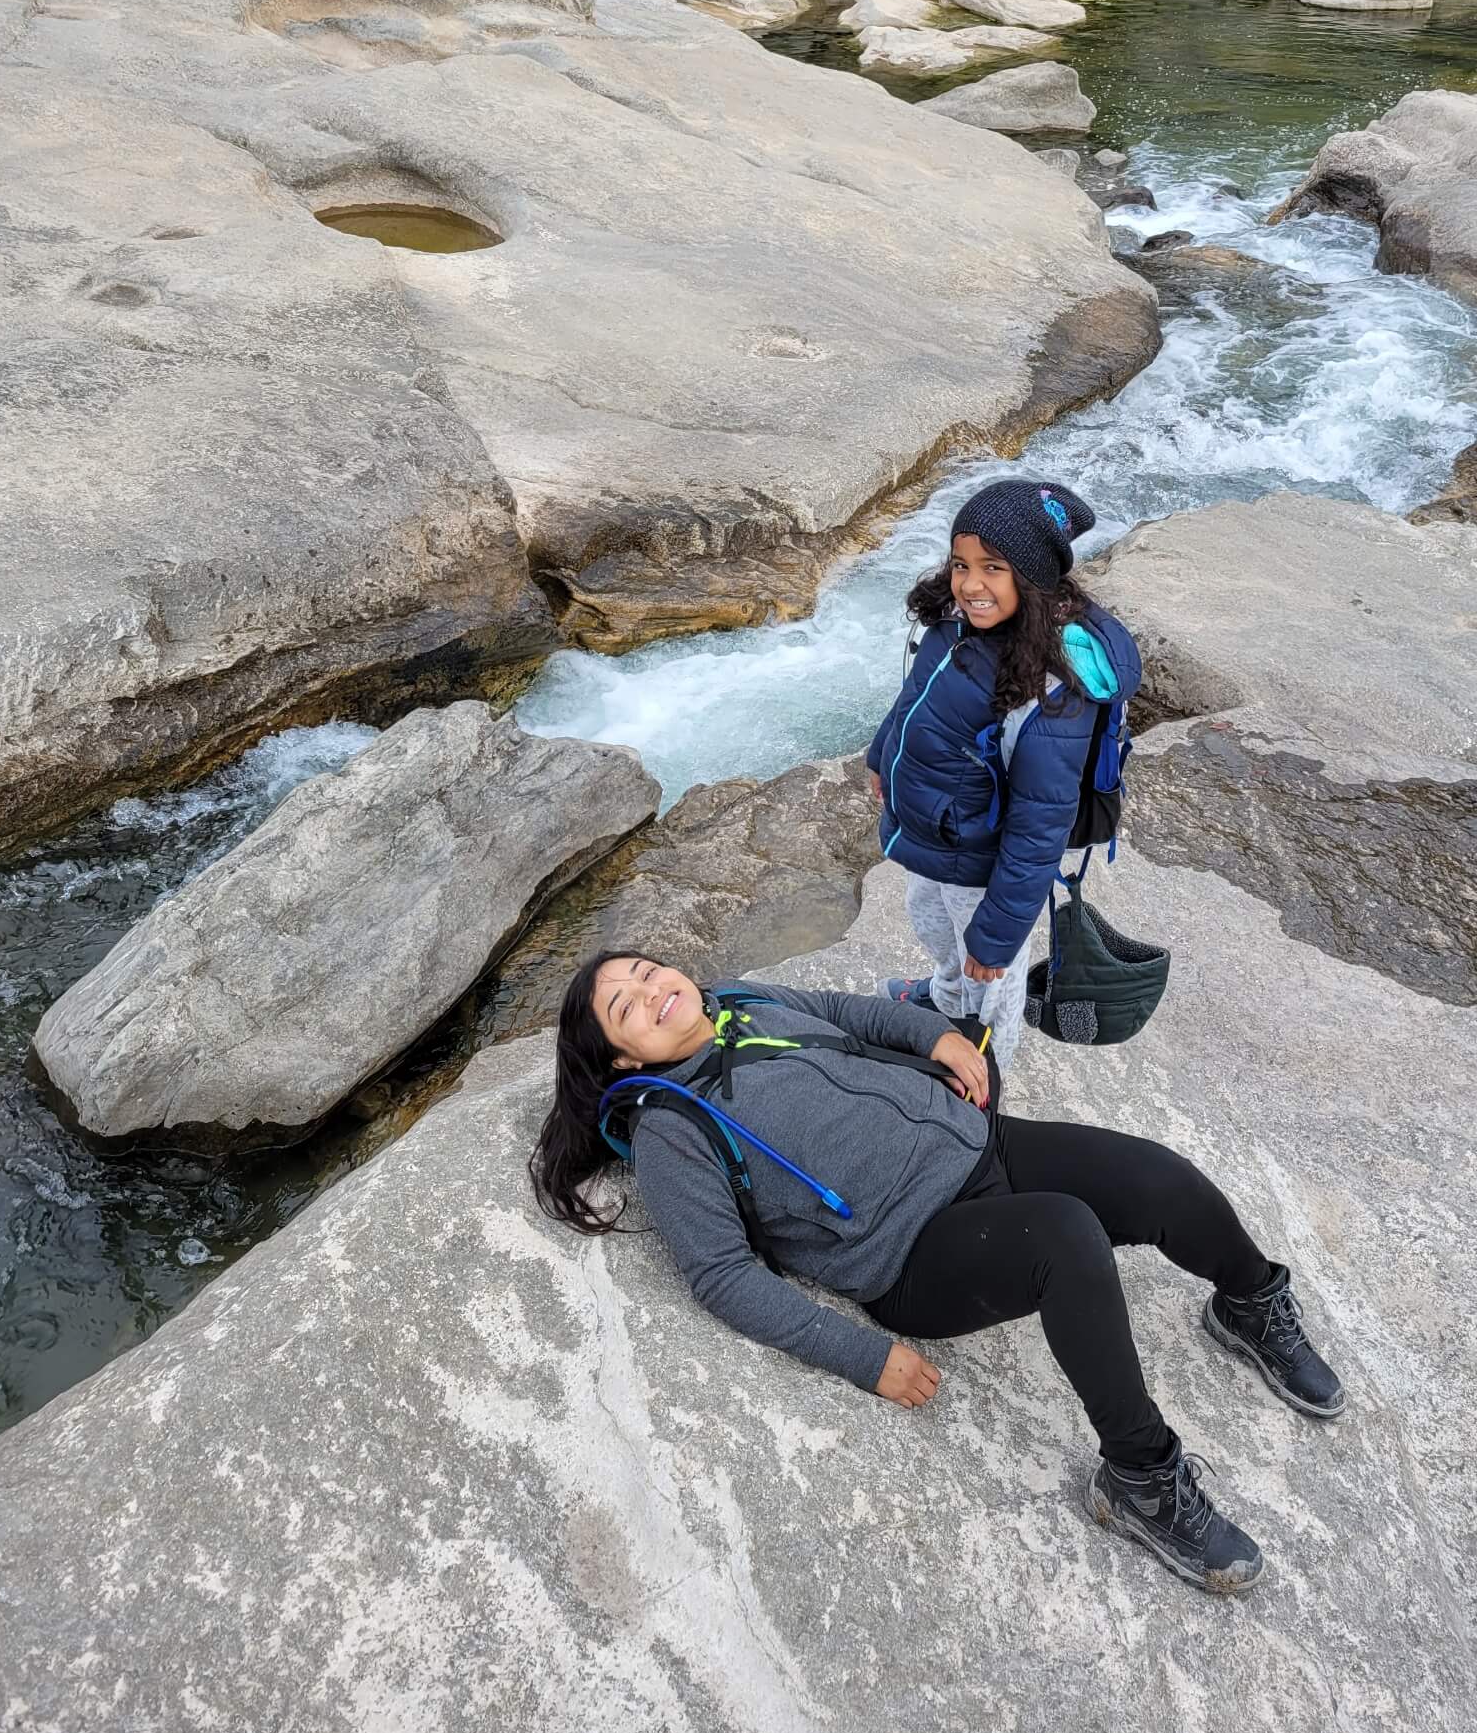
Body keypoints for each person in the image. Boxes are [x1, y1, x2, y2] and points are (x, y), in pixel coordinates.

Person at [531, 951, 1346, 1596]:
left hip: (977, 1143)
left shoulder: (741, 998)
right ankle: (1140, 1477)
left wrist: (936, 1037)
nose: (651, 992)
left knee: (1161, 1180)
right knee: (1066, 1237)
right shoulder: (671, 1130)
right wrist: (862, 1357)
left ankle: (1251, 1300)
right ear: (617, 1059)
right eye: (625, 1008)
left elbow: (849, 1012)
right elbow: (720, 1276)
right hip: (914, 1252)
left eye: (647, 974)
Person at [864, 477, 1139, 1065]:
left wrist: (997, 936)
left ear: (1032, 576)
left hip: (981, 857)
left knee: (989, 971)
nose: (969, 584)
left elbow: (1041, 826)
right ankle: (945, 1002)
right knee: (931, 921)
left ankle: (989, 1070)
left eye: (993, 568)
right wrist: (881, 755)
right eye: (961, 565)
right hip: (936, 831)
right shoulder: (955, 625)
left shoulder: (1052, 691)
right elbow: (915, 698)